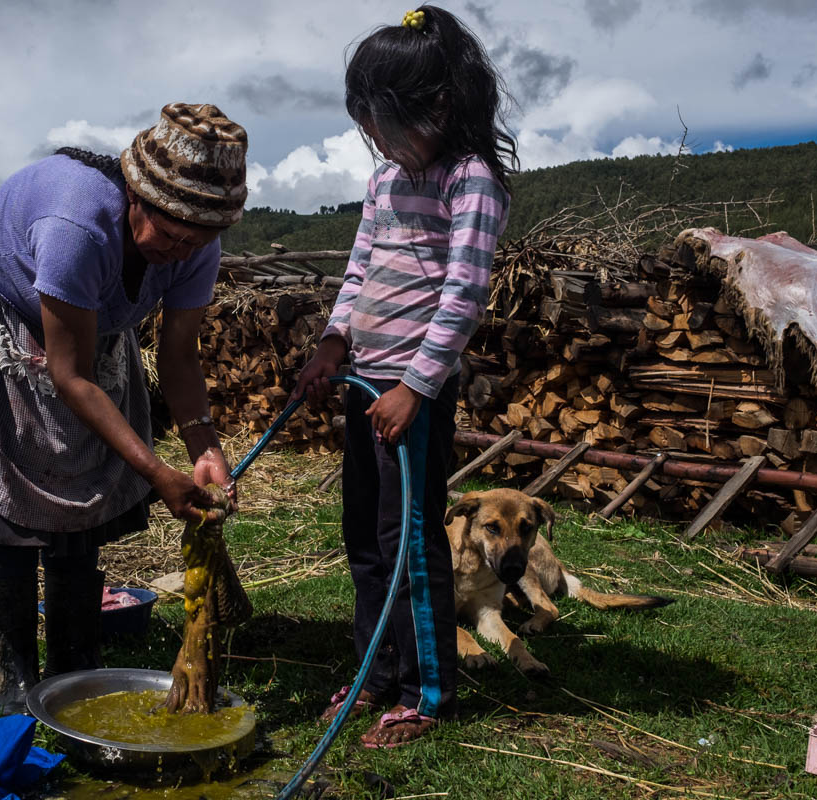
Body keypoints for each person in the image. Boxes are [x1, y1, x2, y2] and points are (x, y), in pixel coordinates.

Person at [0, 103, 247, 716]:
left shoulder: (193, 244)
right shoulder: (76, 225)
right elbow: (70, 374)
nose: (181, 249)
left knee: (85, 484)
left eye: (198, 239)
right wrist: (156, 473)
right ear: (137, 196)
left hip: (90, 324)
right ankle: (17, 675)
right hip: (1, 301)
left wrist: (204, 449)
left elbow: (181, 358)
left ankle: (75, 660)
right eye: (171, 232)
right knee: (10, 492)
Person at [291, 6, 516, 748]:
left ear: (439, 106)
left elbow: (462, 296)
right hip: (364, 383)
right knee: (365, 535)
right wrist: (333, 341)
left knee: (411, 542)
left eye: (386, 125)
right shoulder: (386, 178)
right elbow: (359, 269)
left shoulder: (469, 179)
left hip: (409, 394)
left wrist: (416, 387)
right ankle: (374, 676)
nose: (378, 143)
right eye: (368, 129)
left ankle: (427, 692)